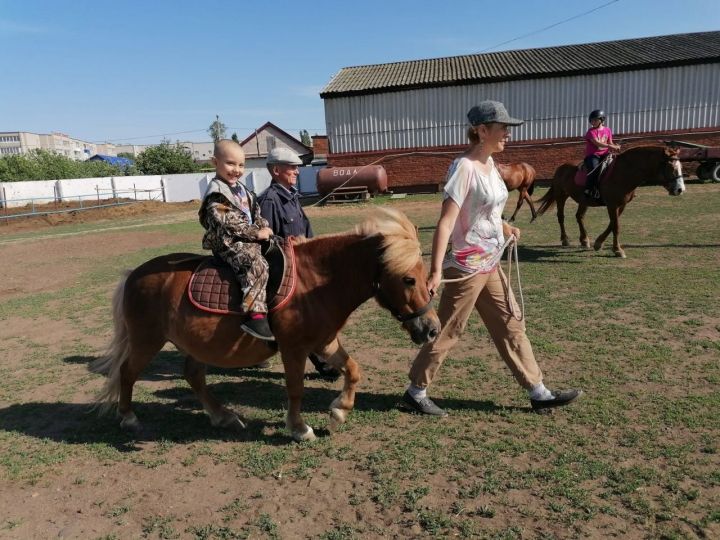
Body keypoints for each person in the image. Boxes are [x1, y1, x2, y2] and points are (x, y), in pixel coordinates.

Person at [401, 100, 582, 417]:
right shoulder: (464, 168)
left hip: (491, 261)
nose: (508, 134)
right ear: (482, 131)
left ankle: (538, 392)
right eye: (502, 128)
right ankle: (415, 392)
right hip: (467, 266)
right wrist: (435, 271)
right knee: (448, 331)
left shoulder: (493, 169)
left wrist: (505, 225)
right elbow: (447, 221)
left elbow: (486, 212)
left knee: (511, 325)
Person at [257, 147, 341, 379]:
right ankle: (323, 363)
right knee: (301, 316)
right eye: (291, 167)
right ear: (276, 170)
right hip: (284, 271)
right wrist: (286, 246)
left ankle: (263, 349)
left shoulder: (292, 196)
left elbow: (306, 232)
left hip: (303, 268)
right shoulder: (269, 201)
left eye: (296, 167)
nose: (296, 171)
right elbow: (265, 243)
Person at [198, 139, 275, 341]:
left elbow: (254, 213)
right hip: (228, 242)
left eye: (241, 165)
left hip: (246, 237)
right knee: (254, 262)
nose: (237, 170)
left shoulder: (242, 190)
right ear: (215, 162)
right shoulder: (217, 193)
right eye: (230, 164)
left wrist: (263, 225)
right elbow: (228, 221)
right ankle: (255, 313)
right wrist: (255, 234)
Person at [583, 109, 621, 199]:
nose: (593, 122)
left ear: (601, 120)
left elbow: (610, 142)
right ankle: (589, 189)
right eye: (592, 120)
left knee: (619, 166)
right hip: (593, 155)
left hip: (605, 154)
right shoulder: (590, 132)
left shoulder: (607, 130)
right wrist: (610, 146)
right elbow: (597, 143)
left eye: (595, 120)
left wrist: (615, 146)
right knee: (594, 170)